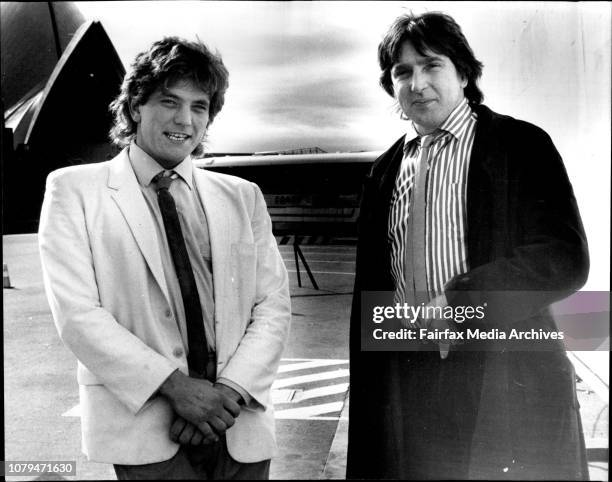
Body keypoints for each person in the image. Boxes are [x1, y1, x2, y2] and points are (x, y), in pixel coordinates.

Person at [347, 12, 589, 480]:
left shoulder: (519, 144)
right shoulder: (383, 172)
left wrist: (462, 304)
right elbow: (372, 293)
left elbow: (565, 257)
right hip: (409, 378)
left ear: (463, 72)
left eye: (431, 65)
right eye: (402, 72)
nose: (417, 83)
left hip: (499, 372)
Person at [39, 37, 291, 480]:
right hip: (145, 426)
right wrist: (177, 389)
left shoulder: (242, 197)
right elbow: (77, 314)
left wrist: (226, 394)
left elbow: (271, 306)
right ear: (136, 106)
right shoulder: (74, 190)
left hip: (239, 422)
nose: (184, 119)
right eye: (168, 101)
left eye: (199, 106)